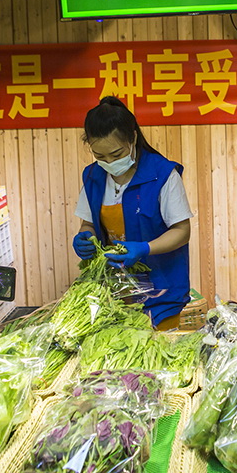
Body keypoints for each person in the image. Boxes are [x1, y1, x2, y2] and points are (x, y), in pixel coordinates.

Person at [72, 96, 193, 328]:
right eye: (100, 156)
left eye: (116, 154)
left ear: (133, 138)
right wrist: (86, 237)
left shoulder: (162, 174)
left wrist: (145, 248)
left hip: (162, 293)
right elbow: (88, 223)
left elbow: (181, 231)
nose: (108, 162)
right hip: (115, 293)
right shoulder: (92, 177)